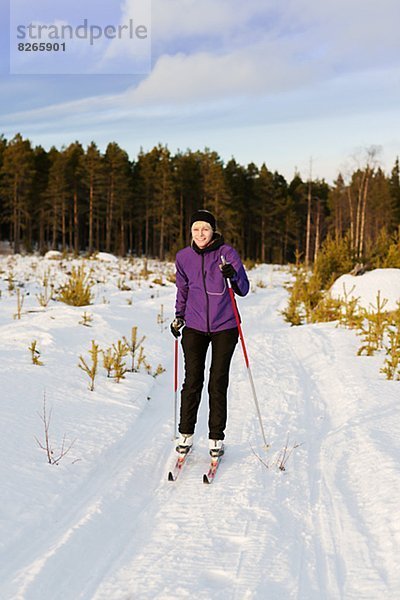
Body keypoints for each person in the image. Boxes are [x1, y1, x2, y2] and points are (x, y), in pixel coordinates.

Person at [170, 209, 250, 458]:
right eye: (196, 229)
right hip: (194, 325)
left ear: (213, 230)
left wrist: (233, 275)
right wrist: (178, 316)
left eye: (205, 228)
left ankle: (216, 438)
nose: (200, 233)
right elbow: (182, 290)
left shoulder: (226, 254)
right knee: (192, 380)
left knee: (217, 381)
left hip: (224, 326)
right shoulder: (183, 257)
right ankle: (185, 434)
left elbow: (243, 289)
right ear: (191, 232)